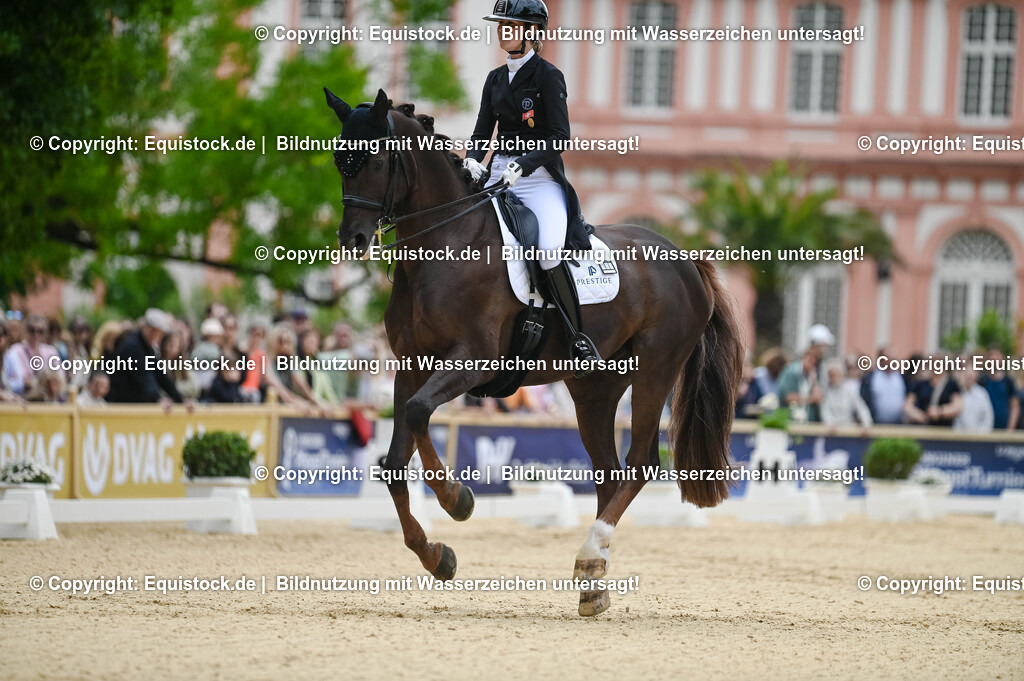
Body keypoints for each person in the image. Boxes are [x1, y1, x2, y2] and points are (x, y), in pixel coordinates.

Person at [464, 0, 600, 375]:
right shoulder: (495, 78)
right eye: (501, 24)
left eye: (510, 24)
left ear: (531, 32)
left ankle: (577, 337)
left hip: (538, 180)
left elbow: (559, 136)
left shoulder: (548, 76)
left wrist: (523, 164)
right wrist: (475, 159)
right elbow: (481, 132)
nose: (503, 31)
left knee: (549, 251)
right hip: (498, 175)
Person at [106, 308, 190, 410]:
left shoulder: (148, 347)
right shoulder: (133, 347)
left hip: (133, 405)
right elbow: (144, 377)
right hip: (121, 405)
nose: (159, 337)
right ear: (149, 329)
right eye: (157, 332)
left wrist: (180, 400)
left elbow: (161, 376)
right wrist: (158, 399)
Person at [3, 314, 64, 397]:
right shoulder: (15, 351)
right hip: (23, 399)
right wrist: (22, 383)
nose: (36, 334)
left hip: (47, 400)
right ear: (25, 331)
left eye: (40, 331)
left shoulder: (50, 351)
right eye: (32, 330)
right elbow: (8, 381)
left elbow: (60, 377)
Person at [820, 359, 872, 433]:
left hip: (848, 431)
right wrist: (830, 423)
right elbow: (825, 411)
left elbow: (861, 407)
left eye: (836, 375)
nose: (834, 378)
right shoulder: (826, 393)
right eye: (831, 375)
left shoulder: (848, 391)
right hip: (832, 432)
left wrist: (866, 424)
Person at [859, 347, 907, 425]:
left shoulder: (902, 377)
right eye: (888, 358)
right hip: (876, 423)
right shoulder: (870, 377)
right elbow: (864, 399)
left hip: (898, 424)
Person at [777, 347, 823, 422]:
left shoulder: (815, 375)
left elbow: (818, 398)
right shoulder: (791, 372)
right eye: (809, 359)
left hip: (808, 420)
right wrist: (810, 399)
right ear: (804, 357)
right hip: (791, 418)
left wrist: (814, 380)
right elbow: (789, 397)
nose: (811, 363)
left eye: (814, 362)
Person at [979, 347, 1018, 431]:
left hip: (1004, 431)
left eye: (996, 355)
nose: (993, 358)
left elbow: (1014, 406)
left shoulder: (1008, 381)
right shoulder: (982, 381)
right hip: (985, 431)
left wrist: (1010, 428)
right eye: (991, 355)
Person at [954, 368, 994, 433]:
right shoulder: (957, 392)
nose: (968, 377)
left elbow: (988, 418)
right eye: (966, 373)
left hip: (979, 438)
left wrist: (981, 435)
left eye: (971, 374)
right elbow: (955, 420)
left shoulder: (982, 394)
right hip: (959, 438)